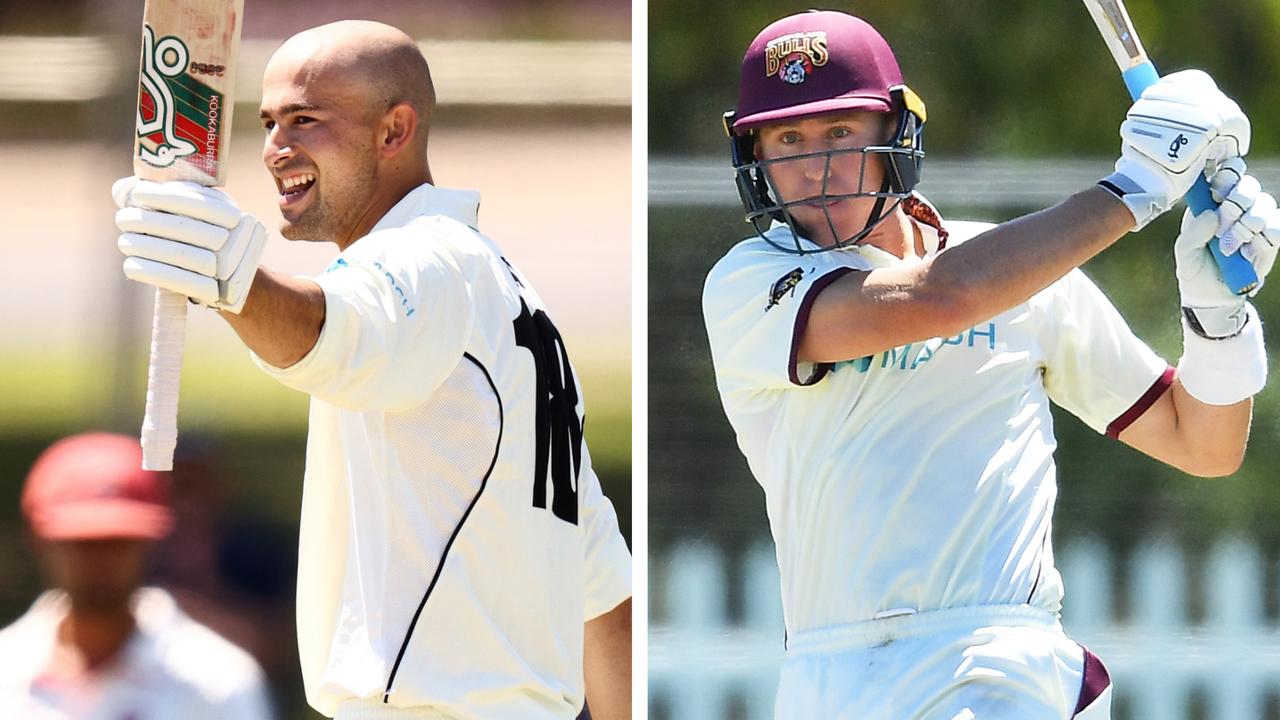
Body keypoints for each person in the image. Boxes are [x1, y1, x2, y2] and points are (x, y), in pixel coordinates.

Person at [702, 10, 1276, 719]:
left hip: (1010, 670)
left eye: (840, 133)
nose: (815, 165)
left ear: (895, 134)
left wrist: (1218, 320)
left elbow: (1204, 443)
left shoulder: (1026, 276)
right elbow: (941, 296)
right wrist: (1131, 191)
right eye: (788, 138)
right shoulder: (749, 281)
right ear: (752, 152)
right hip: (842, 679)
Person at [111, 20, 632, 720]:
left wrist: (222, 272)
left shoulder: (424, 260)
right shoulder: (506, 302)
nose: (273, 149)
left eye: (305, 120)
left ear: (395, 131)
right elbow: (606, 603)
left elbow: (332, 331)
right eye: (267, 122)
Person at [0, 432, 273, 719]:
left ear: (152, 540)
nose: (101, 560)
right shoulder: (8, 670)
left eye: (119, 541)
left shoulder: (216, 682)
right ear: (38, 539)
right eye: (82, 542)